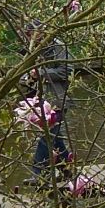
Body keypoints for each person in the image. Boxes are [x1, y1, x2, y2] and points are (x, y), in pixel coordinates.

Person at [23, 22, 71, 177]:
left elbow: (65, 71)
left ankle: (37, 173)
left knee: (47, 135)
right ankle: (67, 169)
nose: (31, 39)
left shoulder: (58, 47)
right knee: (54, 137)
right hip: (38, 100)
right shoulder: (32, 49)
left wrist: (41, 72)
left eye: (32, 35)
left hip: (56, 99)